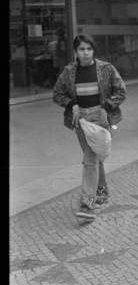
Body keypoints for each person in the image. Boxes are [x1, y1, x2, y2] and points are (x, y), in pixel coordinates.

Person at [53, 34, 126, 220]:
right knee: (94, 159)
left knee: (89, 160)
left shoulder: (106, 69)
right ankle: (102, 190)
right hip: (80, 120)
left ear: (94, 50)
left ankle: (87, 204)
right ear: (76, 51)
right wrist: (72, 105)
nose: (85, 53)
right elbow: (57, 93)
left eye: (89, 49)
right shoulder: (69, 71)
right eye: (81, 49)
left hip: (100, 118)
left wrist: (106, 107)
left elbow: (121, 91)